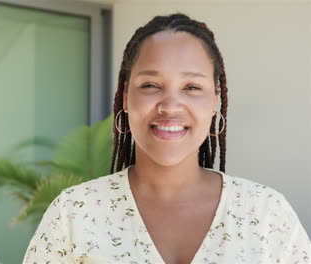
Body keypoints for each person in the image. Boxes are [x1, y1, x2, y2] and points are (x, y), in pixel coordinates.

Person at [22, 13, 311, 264]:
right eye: (150, 85)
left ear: (215, 100)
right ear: (125, 97)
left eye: (192, 87)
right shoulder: (75, 213)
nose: (170, 106)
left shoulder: (266, 214)